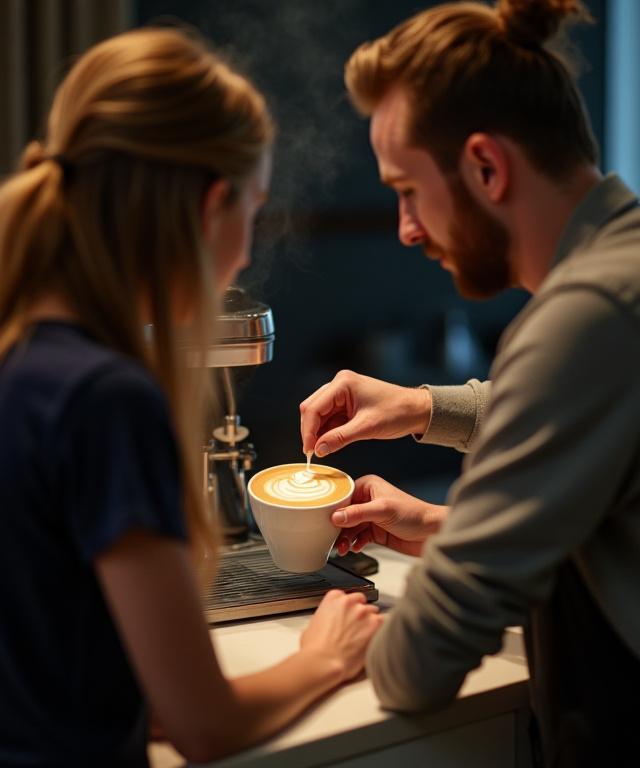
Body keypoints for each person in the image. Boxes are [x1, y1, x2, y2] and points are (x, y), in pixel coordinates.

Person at [0, 28, 383, 768]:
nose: (246, 251)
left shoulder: (19, 356)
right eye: (255, 209)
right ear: (211, 208)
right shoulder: (105, 399)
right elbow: (203, 724)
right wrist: (327, 656)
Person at [300, 1, 640, 765]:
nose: (407, 230)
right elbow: (586, 429)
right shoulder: (624, 275)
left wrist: (325, 651)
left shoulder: (583, 317)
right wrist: (428, 420)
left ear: (486, 167)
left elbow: (421, 664)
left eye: (409, 191)